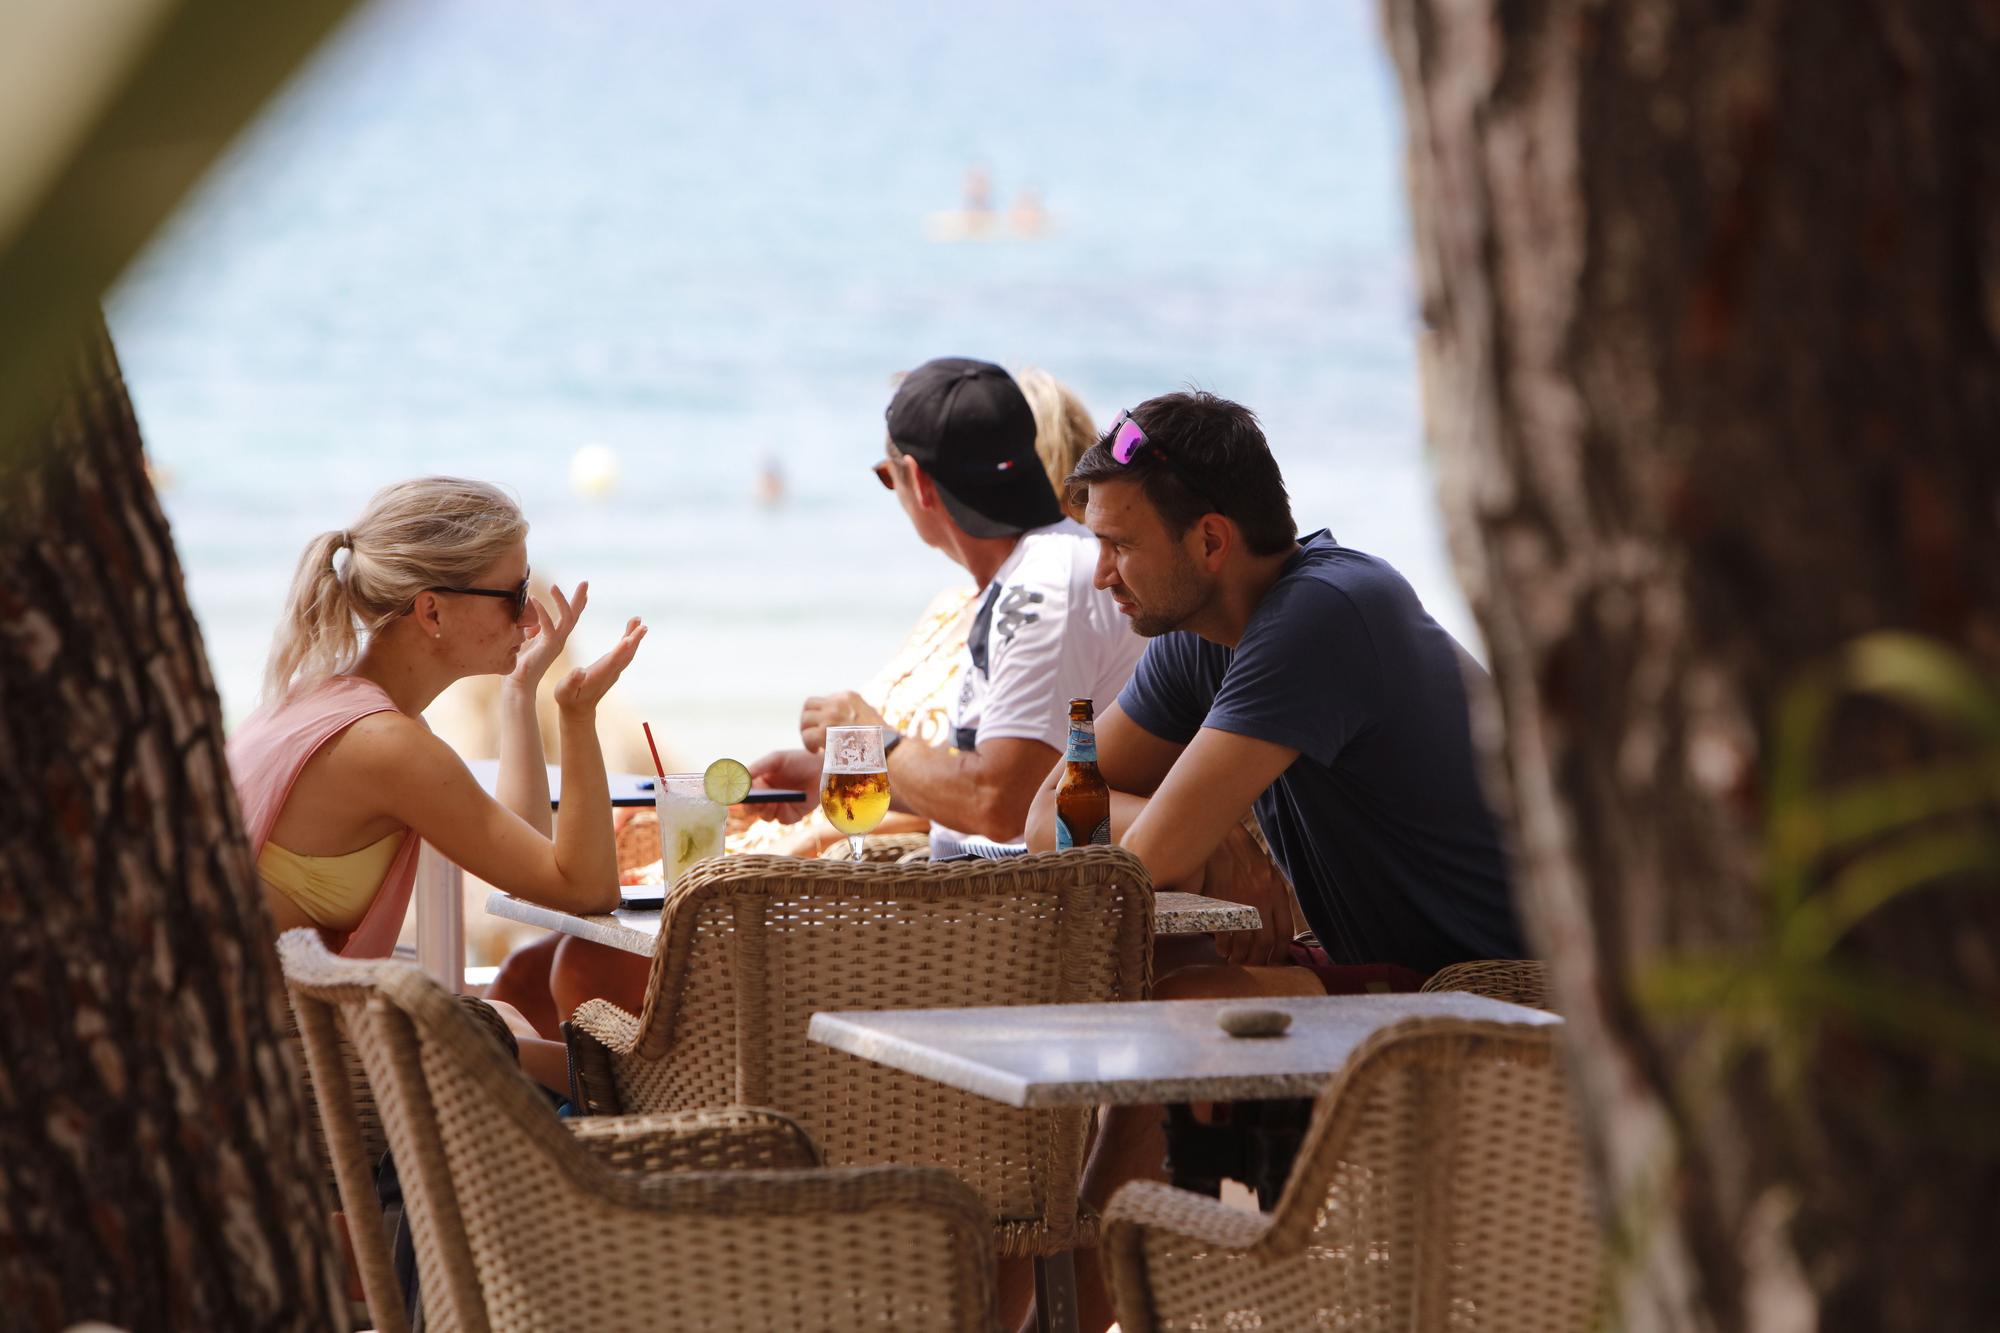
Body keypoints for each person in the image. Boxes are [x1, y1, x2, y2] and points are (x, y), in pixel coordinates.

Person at [1021, 390, 1524, 1332]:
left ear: (1211, 540)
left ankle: (1119, 1305)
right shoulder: (1204, 642)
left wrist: (1182, 834)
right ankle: (1114, 1301)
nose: (1101, 576)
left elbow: (1144, 859)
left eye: (1120, 546)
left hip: (1492, 985)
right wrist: (1211, 833)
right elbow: (1051, 807)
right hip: (1386, 969)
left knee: (1175, 1012)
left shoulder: (1326, 611)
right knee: (1163, 973)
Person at [229, 475, 645, 1092]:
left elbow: (529, 864)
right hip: (288, 1069)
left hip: (272, 1032)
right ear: (431, 610)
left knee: (509, 1017)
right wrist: (577, 716)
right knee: (614, 1081)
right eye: (514, 593)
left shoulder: (335, 701)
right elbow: (583, 888)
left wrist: (520, 694)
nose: (530, 615)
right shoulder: (386, 745)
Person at [751, 357, 1146, 859]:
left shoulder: (1043, 589)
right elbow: (999, 780)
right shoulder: (1037, 570)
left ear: (919, 481)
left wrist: (871, 740)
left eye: (887, 477)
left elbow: (1000, 803)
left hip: (1025, 913)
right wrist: (850, 770)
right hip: (1003, 896)